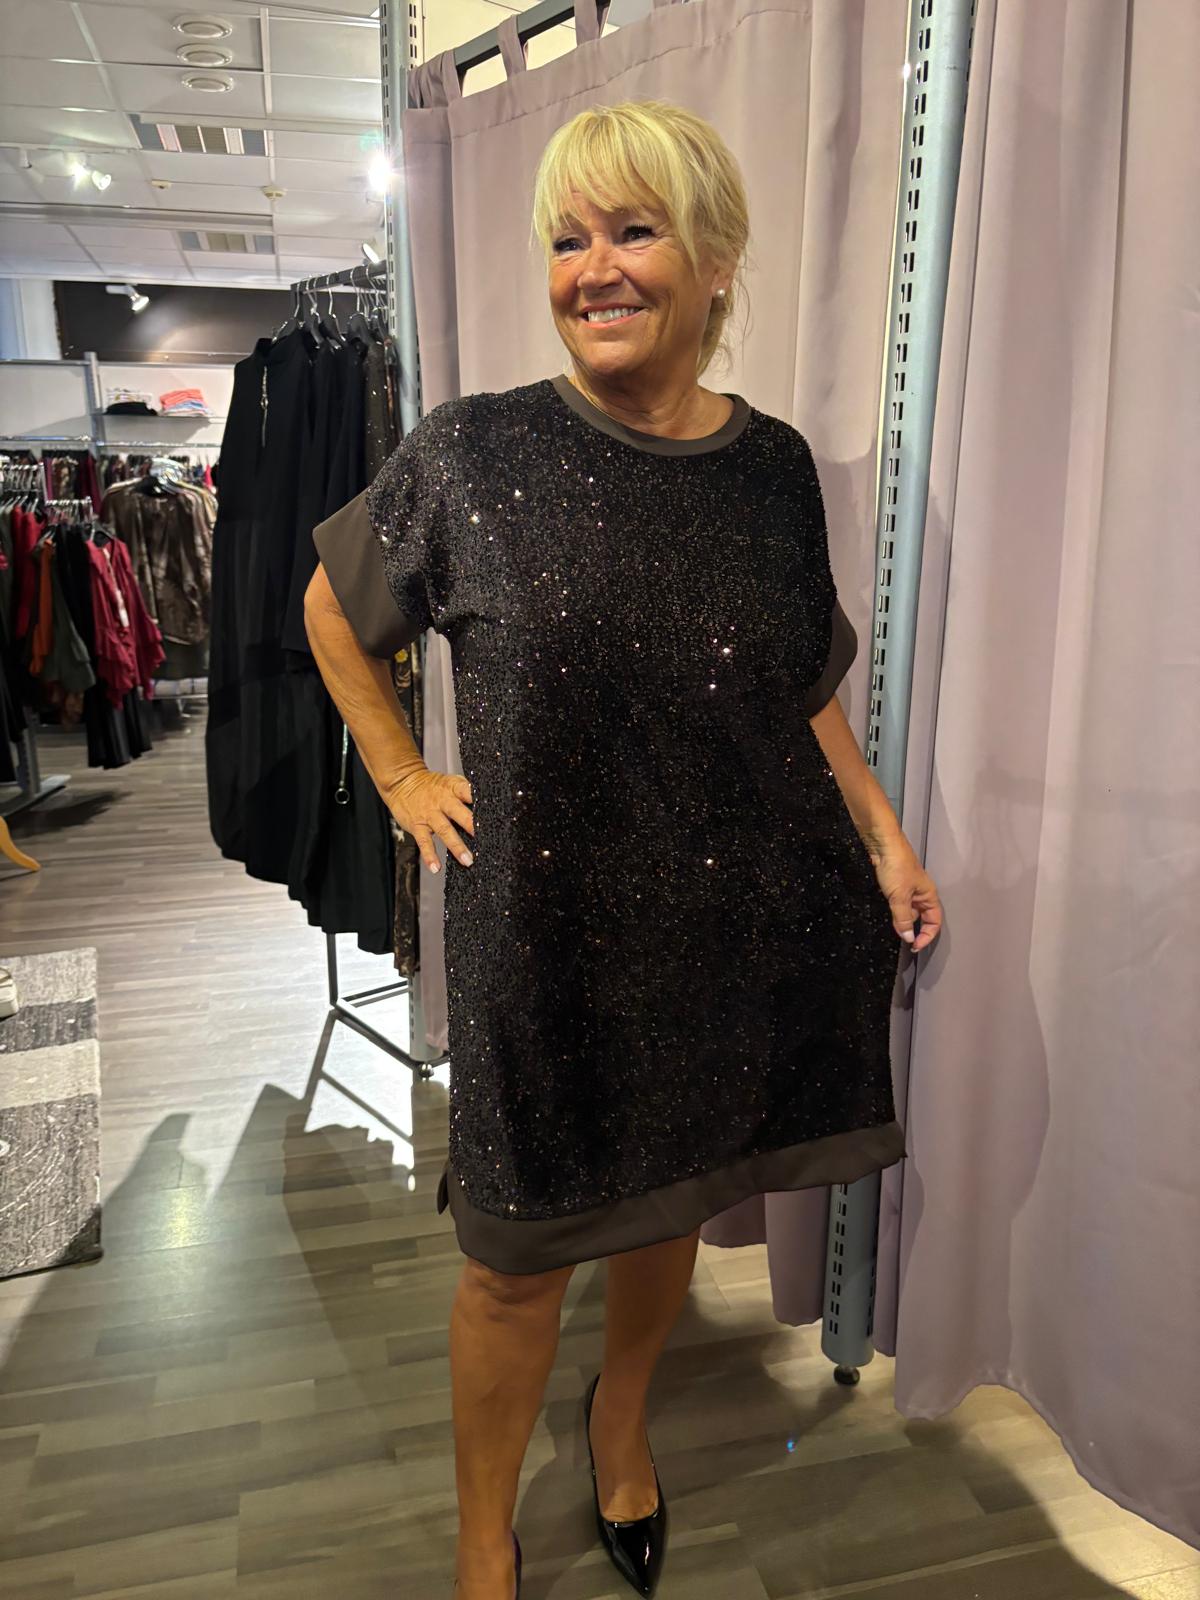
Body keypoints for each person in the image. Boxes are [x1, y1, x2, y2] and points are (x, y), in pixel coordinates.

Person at [305, 99, 943, 1600]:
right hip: (542, 936)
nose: (591, 268)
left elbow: (797, 686)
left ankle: (621, 1420)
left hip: (722, 919)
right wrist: (400, 772)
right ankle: (484, 1538)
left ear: (716, 259)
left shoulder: (773, 469)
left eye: (633, 231)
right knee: (510, 1262)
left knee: (672, 1202)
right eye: (566, 239)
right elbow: (335, 611)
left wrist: (883, 833)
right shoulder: (473, 452)